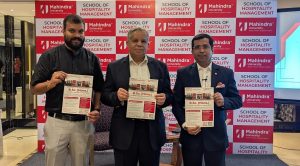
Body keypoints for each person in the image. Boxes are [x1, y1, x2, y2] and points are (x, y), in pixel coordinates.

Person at [31, 14, 104, 166]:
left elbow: (98, 88)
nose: (77, 35)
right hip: (57, 121)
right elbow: (34, 89)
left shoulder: (92, 58)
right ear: (63, 31)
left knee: (81, 163)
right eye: (72, 31)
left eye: (81, 31)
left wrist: (96, 108)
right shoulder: (49, 56)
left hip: (83, 122)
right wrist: (50, 83)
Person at [101, 27, 173, 166]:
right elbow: (105, 95)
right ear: (127, 43)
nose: (139, 44)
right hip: (124, 130)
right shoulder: (114, 67)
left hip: (151, 130)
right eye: (135, 40)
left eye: (143, 41)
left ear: (148, 44)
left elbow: (170, 95)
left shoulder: (160, 67)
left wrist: (164, 99)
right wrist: (116, 96)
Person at [172, 33, 242, 166]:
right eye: (197, 47)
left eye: (205, 46)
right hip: (191, 135)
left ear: (212, 49)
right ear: (192, 51)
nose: (201, 50)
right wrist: (185, 124)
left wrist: (224, 101)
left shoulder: (226, 73)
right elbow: (176, 104)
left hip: (216, 136)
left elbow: (237, 100)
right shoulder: (183, 73)